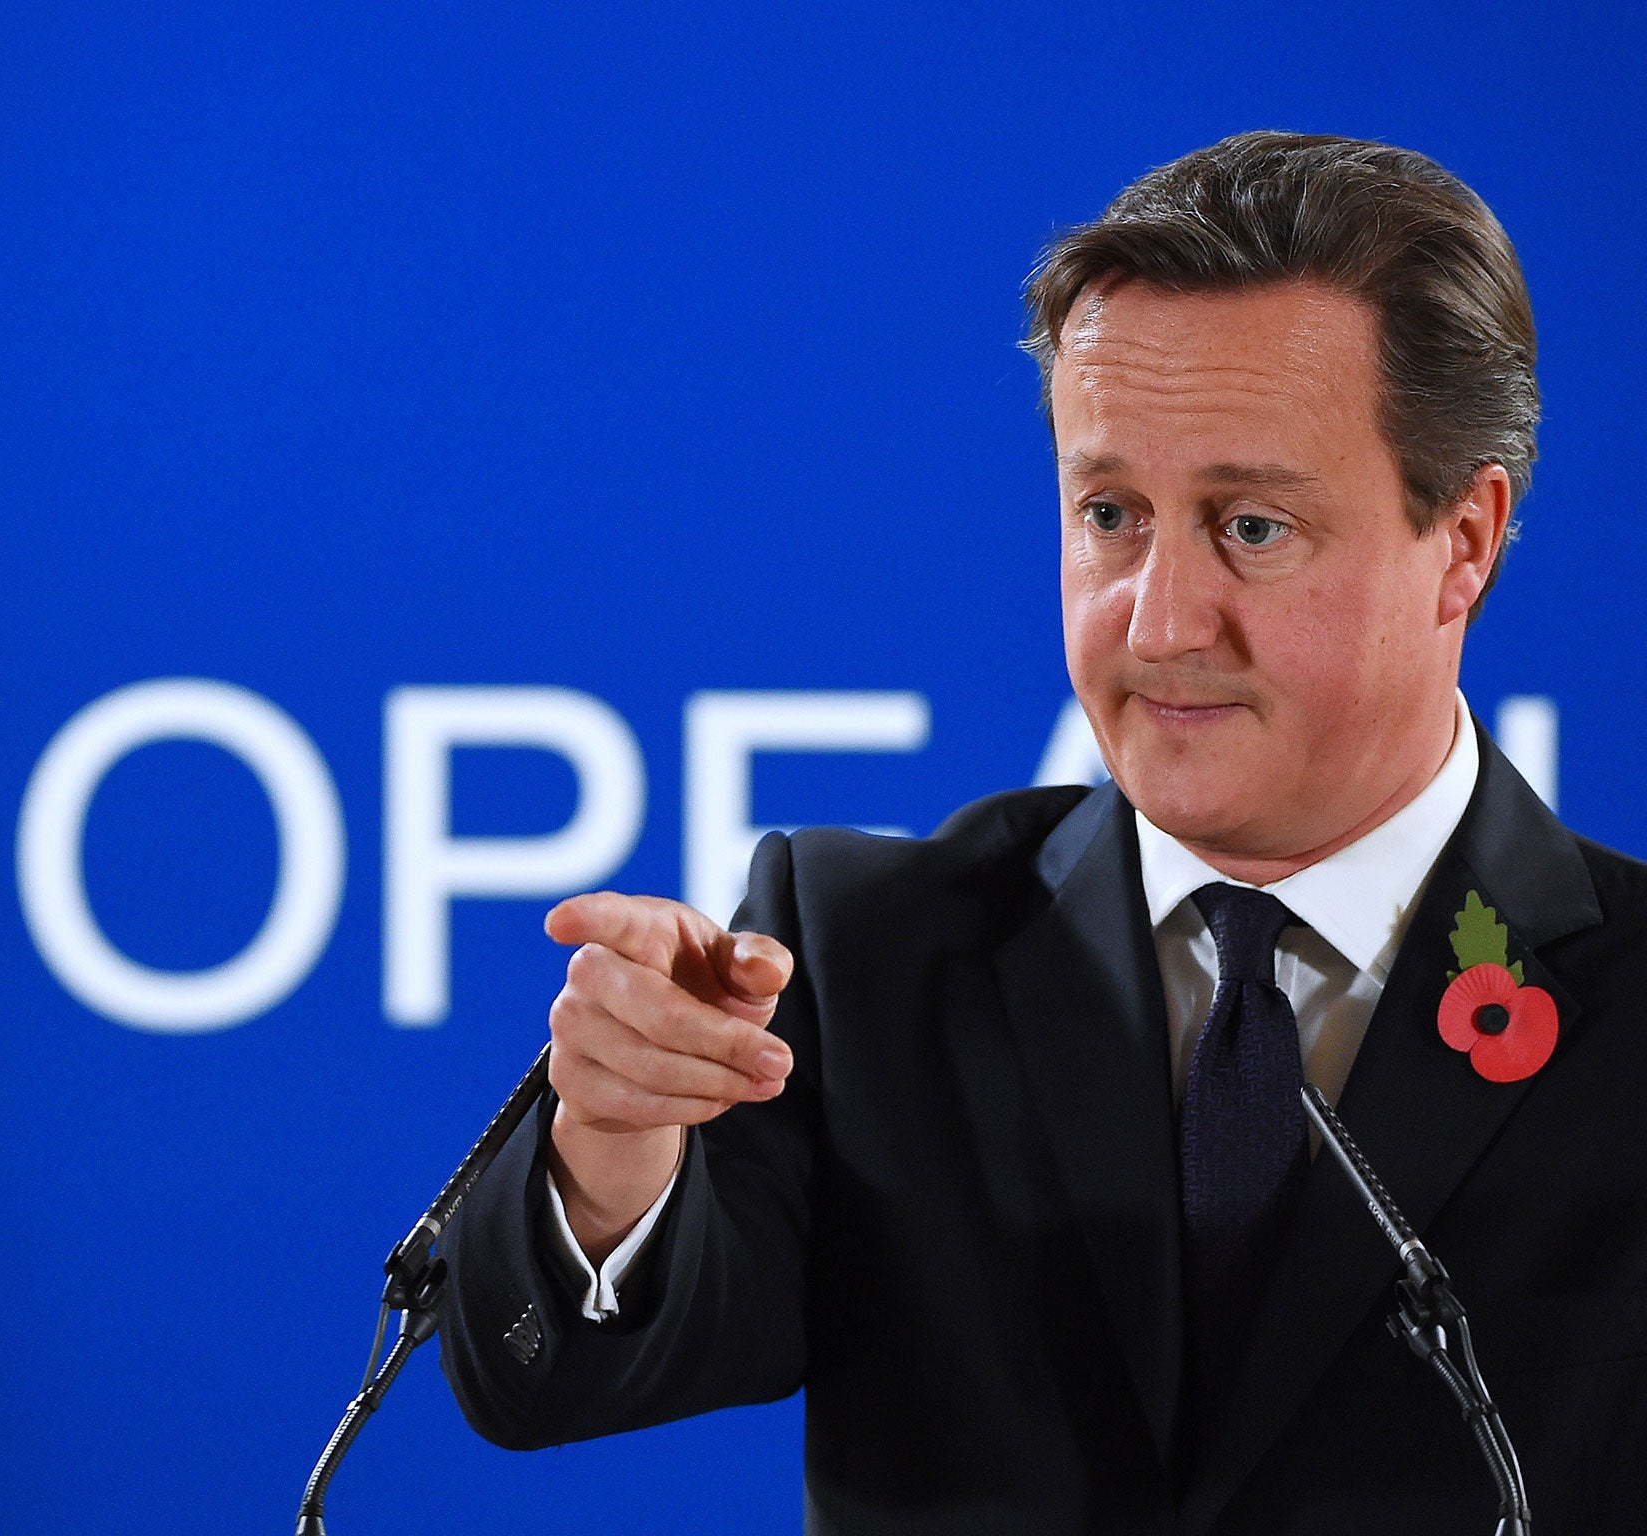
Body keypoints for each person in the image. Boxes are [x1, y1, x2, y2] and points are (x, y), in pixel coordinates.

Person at [436, 132, 1647, 1533]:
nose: (1160, 618)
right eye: (1111, 513)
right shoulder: (861, 948)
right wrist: (614, 1152)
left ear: (1468, 541)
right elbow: (550, 1384)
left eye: (1251, 526)